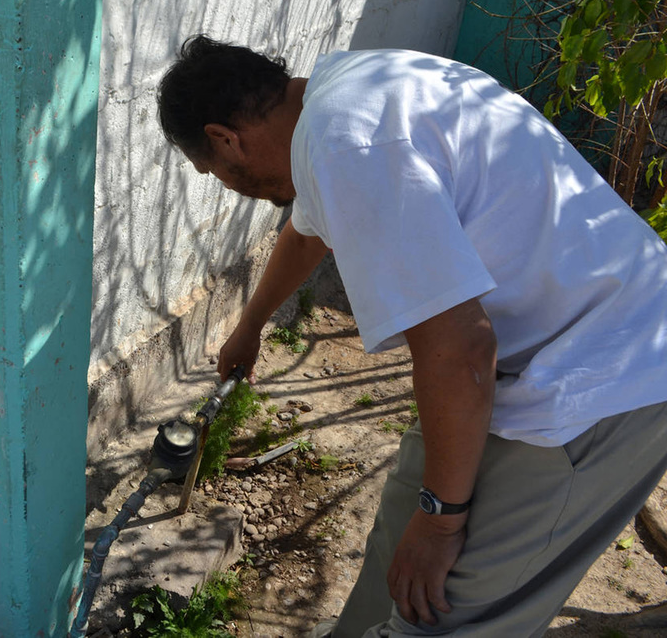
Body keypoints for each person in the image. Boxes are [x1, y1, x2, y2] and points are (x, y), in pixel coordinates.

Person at [156, 35, 667, 637]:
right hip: (542, 349)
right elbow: (306, 233)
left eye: (211, 173)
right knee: (402, 529)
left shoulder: (349, 144)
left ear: (223, 138)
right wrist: (249, 327)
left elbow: (460, 350)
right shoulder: (348, 93)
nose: (225, 186)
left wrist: (444, 521)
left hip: (602, 373)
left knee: (442, 611)